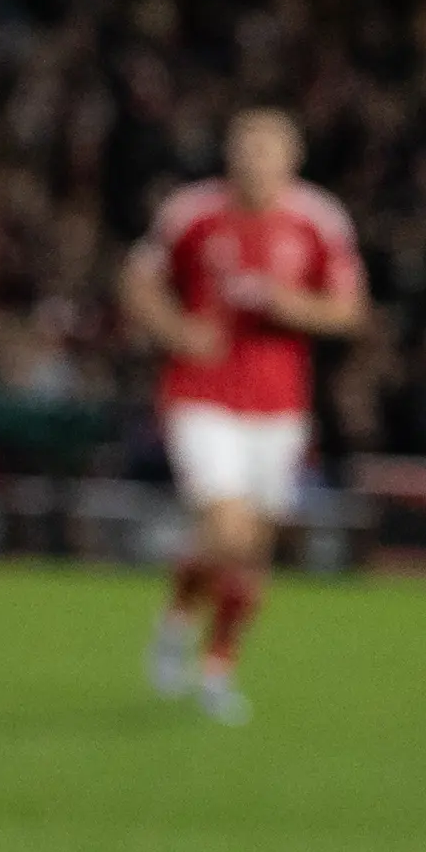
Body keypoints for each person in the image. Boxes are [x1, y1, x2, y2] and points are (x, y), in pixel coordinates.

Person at [120, 109, 364, 724]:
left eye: (268, 149)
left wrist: (291, 306)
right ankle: (188, 640)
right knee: (228, 527)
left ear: (292, 158)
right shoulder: (193, 213)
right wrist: (179, 330)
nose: (254, 159)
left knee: (250, 550)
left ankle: (212, 660)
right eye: (245, 147)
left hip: (279, 405)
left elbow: (348, 311)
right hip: (201, 395)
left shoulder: (318, 220)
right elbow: (137, 282)